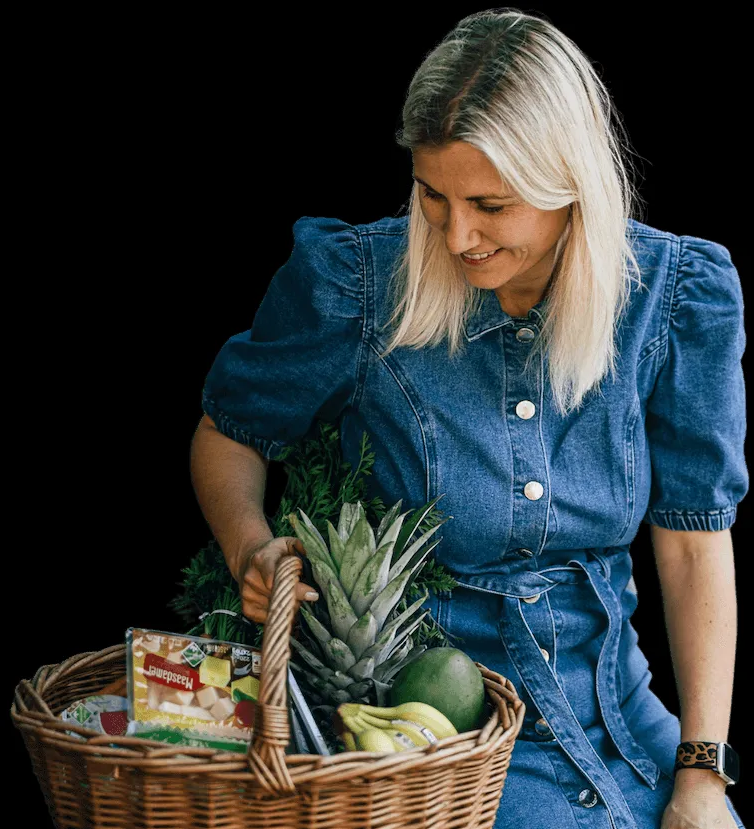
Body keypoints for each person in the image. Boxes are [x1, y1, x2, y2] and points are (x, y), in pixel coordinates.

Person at [189, 9, 746, 829]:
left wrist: (701, 774)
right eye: (430, 196)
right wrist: (248, 543)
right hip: (433, 736)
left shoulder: (675, 295)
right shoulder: (357, 282)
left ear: (571, 186)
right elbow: (228, 434)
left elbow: (694, 542)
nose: (456, 235)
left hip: (624, 717)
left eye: (490, 203)